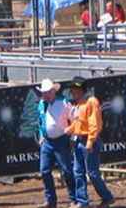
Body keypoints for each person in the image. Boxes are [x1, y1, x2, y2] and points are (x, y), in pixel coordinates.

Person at [65, 76, 114, 208]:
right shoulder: (79, 104)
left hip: (87, 140)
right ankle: (82, 201)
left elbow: (94, 124)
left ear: (82, 90)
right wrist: (69, 130)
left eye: (76, 89)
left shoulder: (90, 102)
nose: (74, 91)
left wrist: (90, 142)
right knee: (78, 171)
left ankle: (107, 197)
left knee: (92, 173)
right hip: (79, 140)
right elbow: (78, 123)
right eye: (73, 89)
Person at [36, 79, 76, 208]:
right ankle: (50, 200)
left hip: (61, 140)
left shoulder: (63, 103)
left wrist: (71, 134)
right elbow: (40, 121)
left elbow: (74, 118)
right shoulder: (41, 104)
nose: (46, 95)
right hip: (47, 141)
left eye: (48, 92)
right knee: (44, 170)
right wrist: (42, 135)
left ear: (53, 91)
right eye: (44, 92)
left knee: (67, 170)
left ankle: (73, 199)